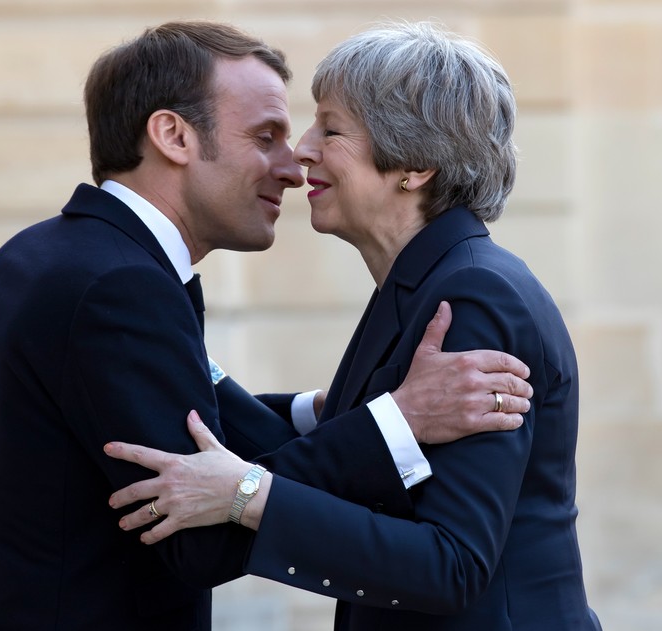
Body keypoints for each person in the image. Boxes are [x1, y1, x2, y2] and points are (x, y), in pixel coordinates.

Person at [0, 21, 533, 631]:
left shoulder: (54, 253)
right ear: (173, 135)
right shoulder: (118, 286)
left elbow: (199, 434)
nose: (293, 166)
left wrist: (317, 414)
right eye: (265, 136)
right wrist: (398, 423)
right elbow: (199, 534)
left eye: (322, 131)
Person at [106, 21, 601, 630]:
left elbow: (451, 564)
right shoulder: (423, 281)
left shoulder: (472, 297)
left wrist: (248, 496)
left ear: (414, 163)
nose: (301, 152)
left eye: (331, 130)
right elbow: (363, 435)